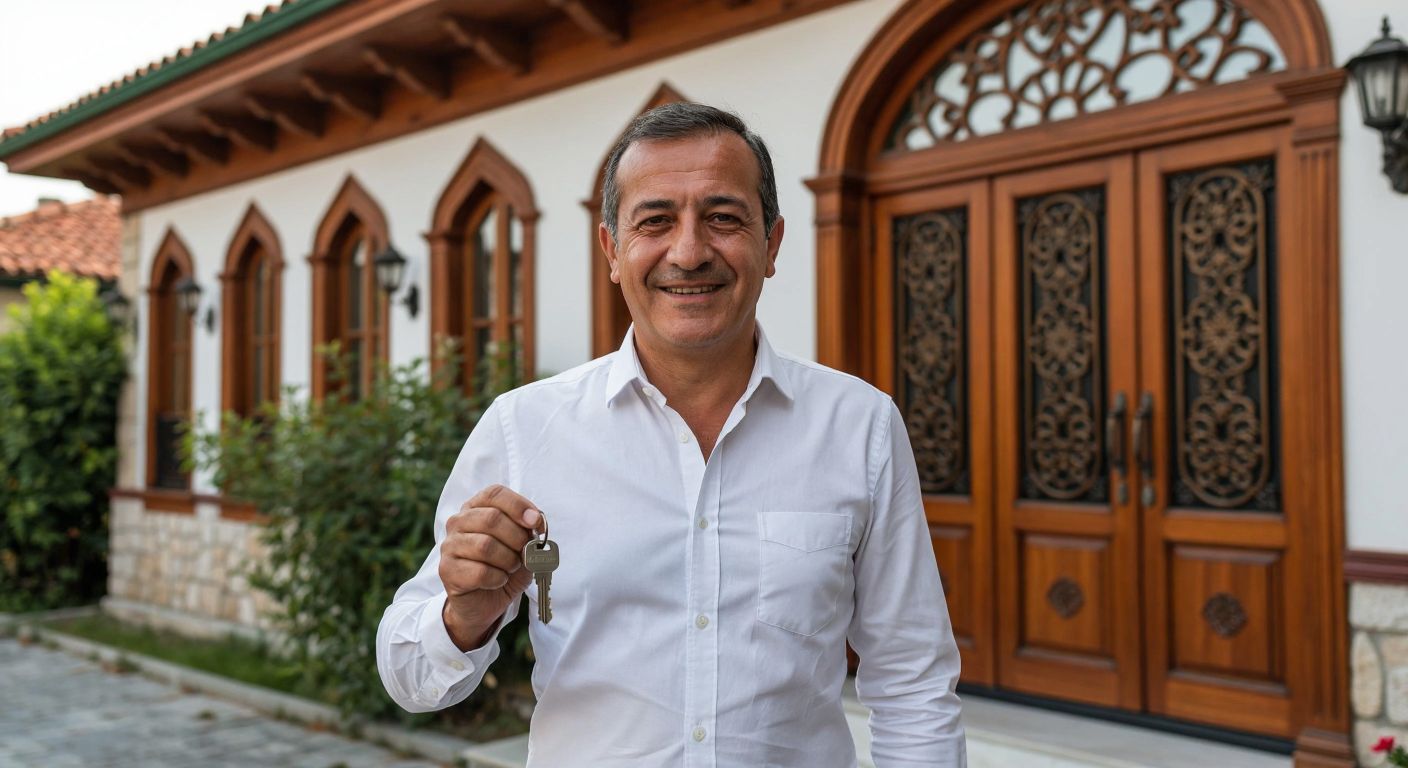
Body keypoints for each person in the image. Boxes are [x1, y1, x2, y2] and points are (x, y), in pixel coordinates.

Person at [376, 103, 966, 767]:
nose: (688, 252)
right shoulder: (524, 428)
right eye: (655, 221)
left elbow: (912, 680)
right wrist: (462, 617)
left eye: (723, 218)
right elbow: (409, 677)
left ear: (771, 245)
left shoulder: (859, 426)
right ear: (612, 250)